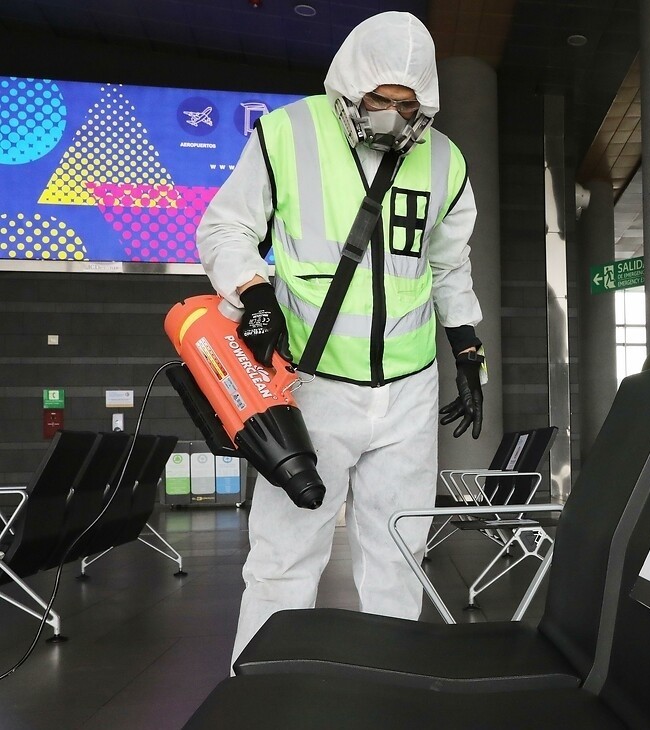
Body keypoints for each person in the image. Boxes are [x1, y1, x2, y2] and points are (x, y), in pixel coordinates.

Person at [197, 11, 485, 667]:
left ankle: (389, 689)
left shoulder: (445, 160)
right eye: (380, 100)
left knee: (400, 555)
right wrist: (255, 291)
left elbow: (449, 265)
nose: (392, 117)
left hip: (409, 390)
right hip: (310, 384)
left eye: (407, 105)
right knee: (285, 555)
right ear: (350, 86)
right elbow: (225, 228)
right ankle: (260, 690)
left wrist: (467, 349)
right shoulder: (287, 133)